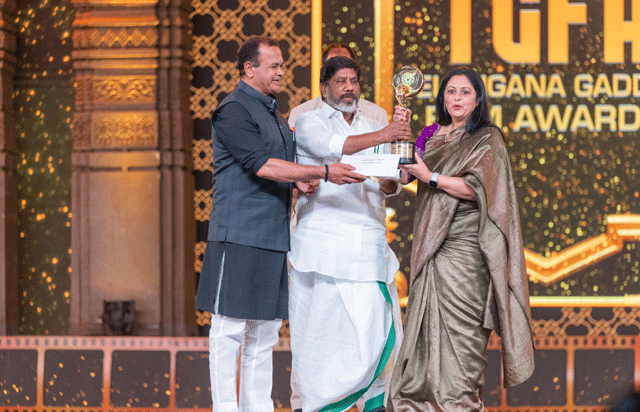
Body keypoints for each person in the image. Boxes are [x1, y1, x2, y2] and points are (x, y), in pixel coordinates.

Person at [194, 36, 365, 412]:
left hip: (273, 235)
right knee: (229, 329)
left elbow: (279, 166)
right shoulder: (233, 109)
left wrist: (298, 182)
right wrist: (322, 172)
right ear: (249, 69)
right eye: (274, 65)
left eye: (282, 65)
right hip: (238, 234)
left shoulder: (272, 111)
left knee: (265, 332)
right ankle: (225, 407)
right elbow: (261, 165)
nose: (281, 72)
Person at [388, 67, 535, 411]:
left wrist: (431, 176)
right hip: (431, 251)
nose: (456, 98)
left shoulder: (487, 139)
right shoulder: (429, 134)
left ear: (478, 99)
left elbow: (479, 190)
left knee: (462, 351)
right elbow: (402, 176)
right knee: (423, 351)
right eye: (450, 92)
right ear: (442, 98)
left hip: (467, 256)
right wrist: (398, 135)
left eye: (465, 92)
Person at [288, 55, 411, 412]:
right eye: (340, 82)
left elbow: (390, 184)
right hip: (321, 247)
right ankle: (318, 405)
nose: (348, 88)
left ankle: (373, 403)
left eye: (353, 81)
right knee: (320, 336)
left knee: (374, 329)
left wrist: (390, 178)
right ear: (324, 88)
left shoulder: (372, 123)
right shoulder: (309, 121)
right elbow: (332, 148)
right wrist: (387, 134)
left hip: (366, 245)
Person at [288, 43, 389, 128]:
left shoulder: (377, 115)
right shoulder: (300, 114)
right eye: (334, 67)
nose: (342, 71)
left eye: (347, 65)